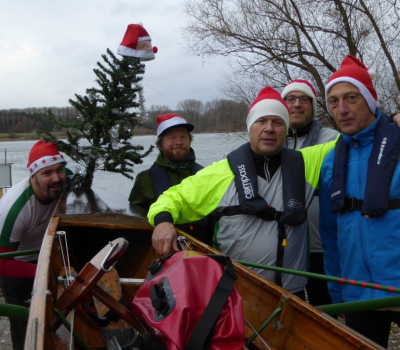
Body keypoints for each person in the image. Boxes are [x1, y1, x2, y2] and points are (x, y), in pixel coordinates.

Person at [148, 87, 336, 298]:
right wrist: (163, 222)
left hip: (291, 296)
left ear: (286, 128)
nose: (269, 129)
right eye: (261, 121)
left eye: (277, 122)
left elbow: (352, 136)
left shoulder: (307, 162)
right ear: (250, 127)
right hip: (237, 293)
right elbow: (172, 198)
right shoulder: (221, 172)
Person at [319, 55, 400, 348]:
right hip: (357, 296)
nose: (342, 109)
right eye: (334, 101)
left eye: (351, 98)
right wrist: (338, 294)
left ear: (369, 99)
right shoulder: (330, 162)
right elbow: (330, 235)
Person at [0, 140, 67, 350]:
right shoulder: (13, 209)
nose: (56, 178)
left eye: (60, 170)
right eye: (47, 173)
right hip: (17, 264)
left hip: (46, 253)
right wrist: (44, 271)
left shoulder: (64, 182)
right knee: (25, 325)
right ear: (33, 176)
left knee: (58, 316)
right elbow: (2, 263)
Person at [281, 80, 338, 306]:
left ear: (313, 106)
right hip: (284, 245)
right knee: (287, 310)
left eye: (304, 99)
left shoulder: (332, 139)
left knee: (324, 314)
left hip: (321, 246)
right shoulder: (270, 140)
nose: (296, 104)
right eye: (290, 99)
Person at [129, 113, 211, 244]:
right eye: (172, 138)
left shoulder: (205, 175)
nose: (178, 142)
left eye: (183, 137)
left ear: (189, 141)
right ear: (160, 145)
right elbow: (133, 220)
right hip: (162, 253)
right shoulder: (145, 179)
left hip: (203, 251)